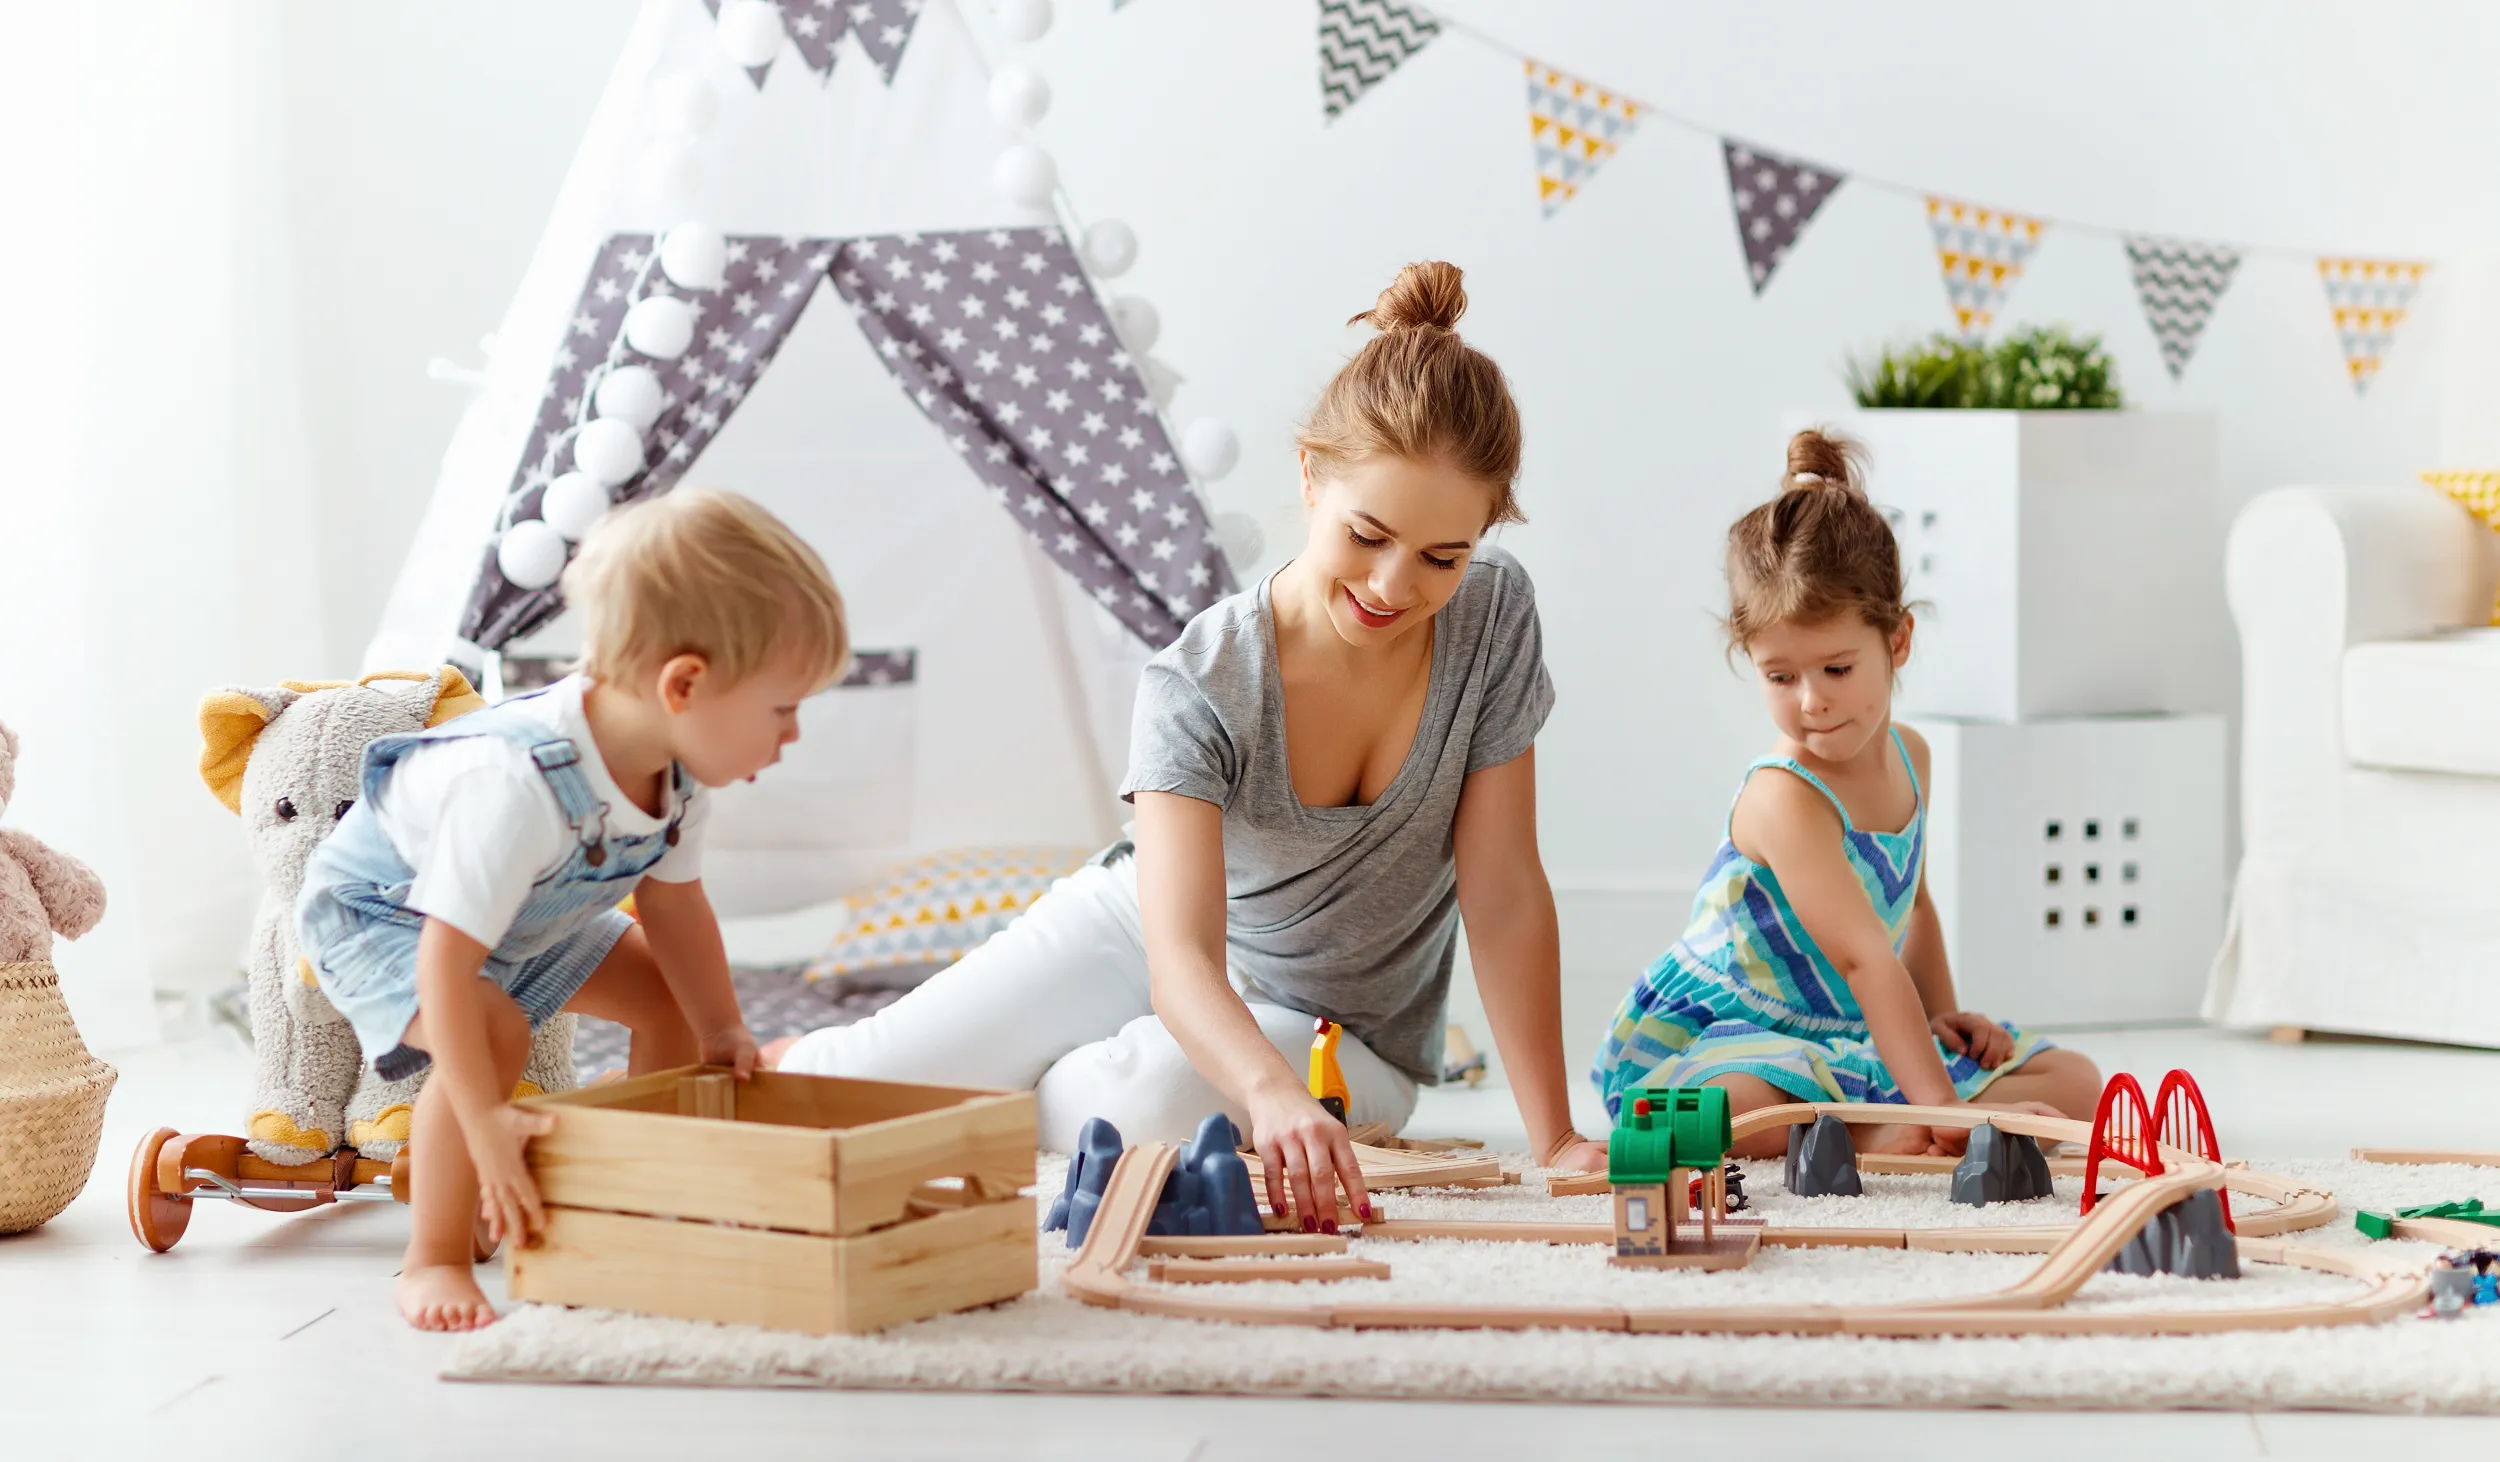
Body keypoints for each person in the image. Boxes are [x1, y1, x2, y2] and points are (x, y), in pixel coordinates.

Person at [773, 260, 1605, 1227]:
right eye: (1366, 535)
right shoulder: (1198, 681)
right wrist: (1262, 1093)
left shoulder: (1495, 619)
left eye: (1441, 558)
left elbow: (1501, 890)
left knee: (1140, 1108)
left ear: (1484, 539)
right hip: (1152, 928)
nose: (1391, 584)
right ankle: (816, 1068)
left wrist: (1553, 1140)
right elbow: (1180, 956)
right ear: (1309, 475)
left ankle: (1014, 1085)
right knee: (849, 1081)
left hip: (1341, 1027)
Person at [297, 489, 848, 1330]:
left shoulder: (676, 771)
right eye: (784, 709)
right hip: (385, 916)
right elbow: (446, 964)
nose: (795, 735)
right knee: (489, 1033)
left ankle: (635, 1193)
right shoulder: (511, 787)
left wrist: (724, 1026)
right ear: (685, 684)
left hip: (515, 916)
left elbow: (675, 901)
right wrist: (487, 1128)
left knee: (672, 1002)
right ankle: (434, 1257)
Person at [1590, 429, 2101, 1157]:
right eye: (1779, 676)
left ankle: (1875, 1126)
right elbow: (1865, 958)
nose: (1810, 702)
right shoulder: (1784, 798)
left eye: (1836, 669)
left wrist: (1943, 1021)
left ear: (1897, 642)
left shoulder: (1912, 757)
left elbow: (1913, 906)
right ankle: (1878, 1135)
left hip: (1851, 1027)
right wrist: (1947, 1110)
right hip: (1743, 1032)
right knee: (1721, 1109)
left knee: (2078, 1083)